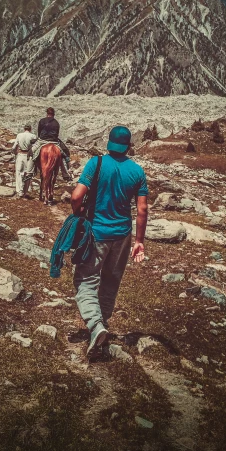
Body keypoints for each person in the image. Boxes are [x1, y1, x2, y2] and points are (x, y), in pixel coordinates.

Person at [70, 125, 148, 358]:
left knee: (86, 278)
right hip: (122, 235)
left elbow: (76, 196)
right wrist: (139, 241)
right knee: (111, 281)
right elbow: (142, 209)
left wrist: (78, 213)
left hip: (97, 233)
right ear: (128, 146)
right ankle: (101, 328)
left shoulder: (96, 163)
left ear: (109, 143)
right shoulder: (137, 171)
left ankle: (96, 326)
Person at [30, 107, 72, 181]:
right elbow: (57, 134)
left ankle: (29, 171)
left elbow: (39, 132)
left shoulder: (42, 121)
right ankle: (65, 173)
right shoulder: (56, 122)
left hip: (42, 140)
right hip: (54, 141)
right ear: (53, 114)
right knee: (64, 154)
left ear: (47, 113)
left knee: (30, 153)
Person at [11, 123, 37, 198]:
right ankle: (25, 191)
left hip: (20, 155)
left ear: (24, 129)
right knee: (28, 173)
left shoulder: (19, 135)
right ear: (30, 129)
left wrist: (14, 152)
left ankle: (19, 191)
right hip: (29, 156)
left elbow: (15, 146)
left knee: (18, 173)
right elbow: (34, 147)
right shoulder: (33, 136)